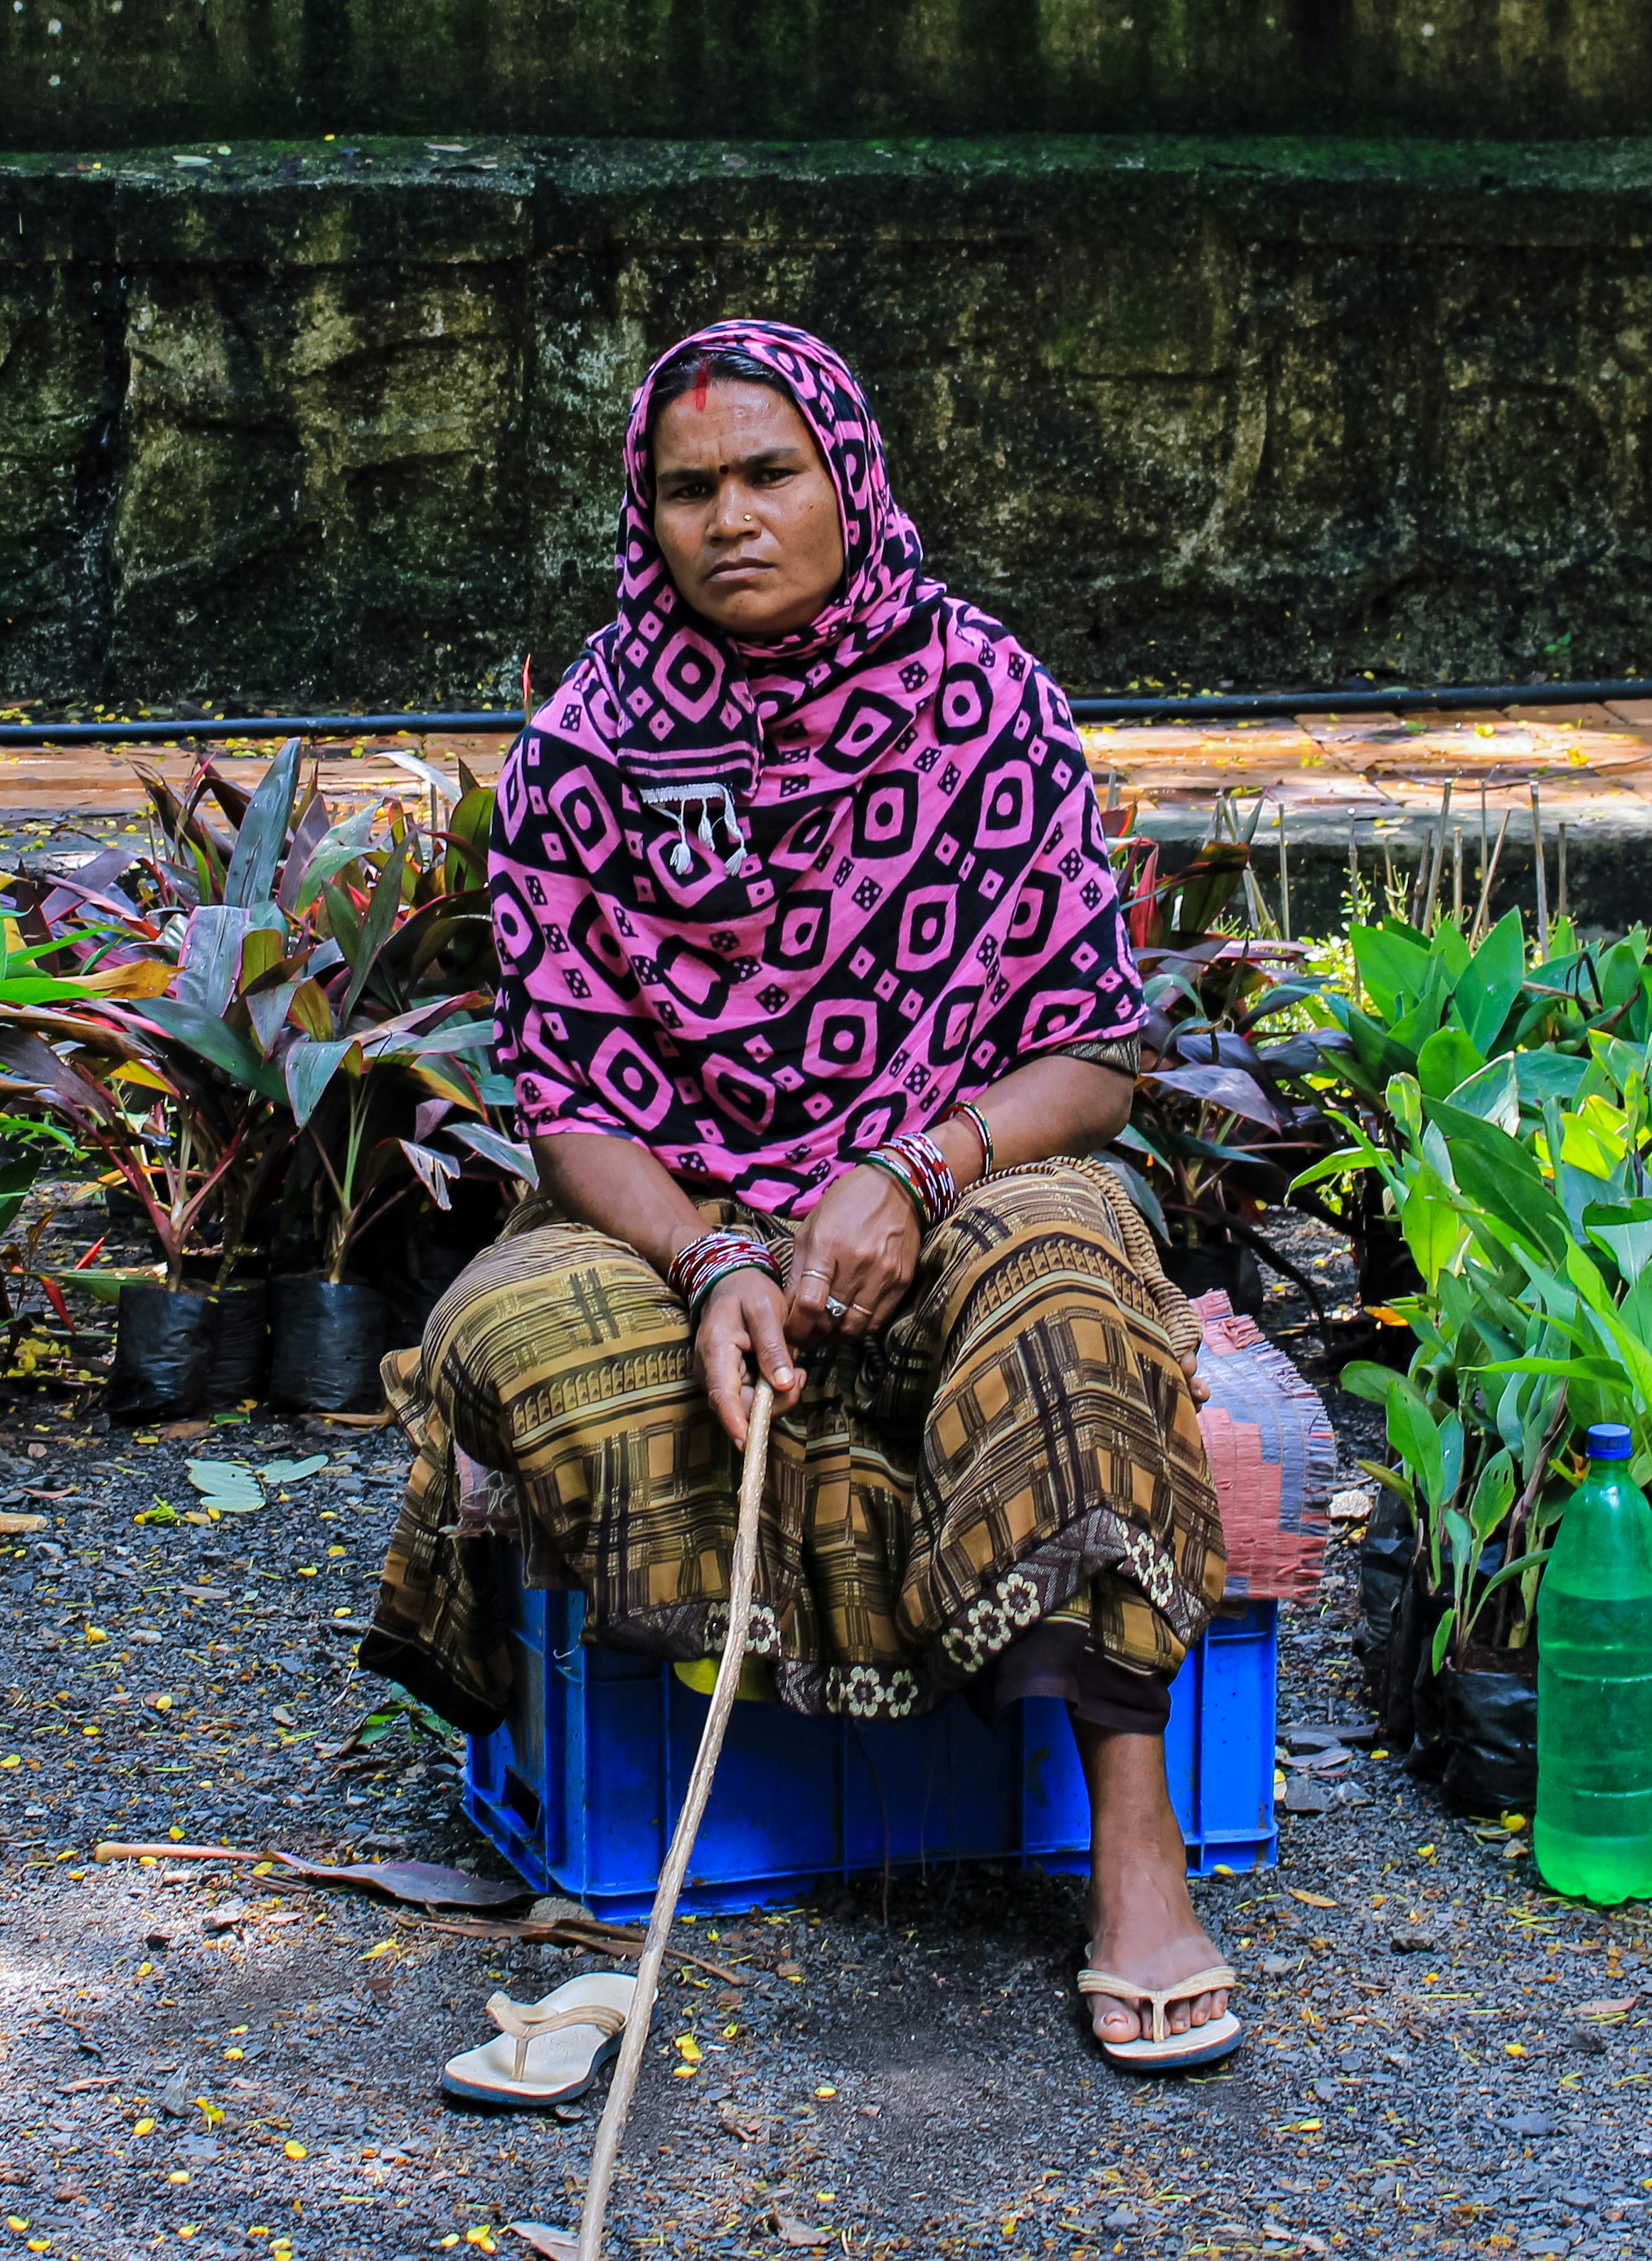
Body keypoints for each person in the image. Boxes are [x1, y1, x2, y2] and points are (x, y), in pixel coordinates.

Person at [361, 316, 1242, 2080]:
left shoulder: (986, 699)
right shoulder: (585, 747)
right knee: (511, 1330)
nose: (730, 519)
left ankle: (1135, 1855)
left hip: (965, 1170)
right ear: (646, 513)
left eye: (771, 474)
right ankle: (717, 1772)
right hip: (676, 1210)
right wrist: (701, 1261)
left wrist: (914, 1169)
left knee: (1072, 1285)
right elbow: (574, 1105)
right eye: (688, 488)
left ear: (850, 480)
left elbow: (1090, 1055)